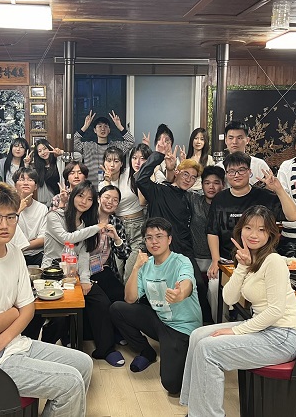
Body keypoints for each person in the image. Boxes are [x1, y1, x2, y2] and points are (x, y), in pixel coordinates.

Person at [0, 182, 93, 416]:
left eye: (11, 217)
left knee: (84, 363)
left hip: (11, 344)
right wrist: (14, 312)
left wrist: (4, 337)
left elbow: (29, 309)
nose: (4, 225)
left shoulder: (15, 252)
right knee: (70, 383)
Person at [180, 205, 296, 417]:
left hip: (283, 335)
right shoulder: (250, 260)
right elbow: (229, 298)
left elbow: (275, 311)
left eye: (261, 230)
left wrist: (236, 331)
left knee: (208, 349)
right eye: (248, 228)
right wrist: (242, 266)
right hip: (264, 329)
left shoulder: (273, 261)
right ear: (240, 230)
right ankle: (196, 410)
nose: (253, 234)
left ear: (271, 234)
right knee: (198, 335)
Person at [110, 217, 202, 394]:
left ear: (169, 239)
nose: (154, 242)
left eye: (159, 236)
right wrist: (136, 268)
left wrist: (180, 294)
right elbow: (130, 298)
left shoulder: (181, 261)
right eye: (149, 237)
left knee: (172, 385)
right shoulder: (145, 265)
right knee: (117, 309)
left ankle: (186, 352)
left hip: (181, 328)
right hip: (160, 320)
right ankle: (147, 351)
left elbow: (187, 282)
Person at [43, 181, 125, 365]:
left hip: (75, 274)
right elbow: (67, 239)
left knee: (101, 302)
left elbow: (84, 253)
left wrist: (86, 280)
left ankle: (105, 349)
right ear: (73, 196)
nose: (84, 201)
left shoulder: (86, 223)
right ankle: (47, 349)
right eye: (80, 196)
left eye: (89, 199)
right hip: (53, 272)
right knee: (59, 316)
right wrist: (97, 227)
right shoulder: (55, 216)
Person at [136, 138, 212, 323]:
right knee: (154, 289)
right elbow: (141, 178)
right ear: (177, 172)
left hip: (183, 249)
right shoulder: (159, 191)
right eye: (186, 174)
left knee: (198, 285)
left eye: (193, 177)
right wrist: (159, 155)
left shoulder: (190, 198)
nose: (189, 179)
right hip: (158, 248)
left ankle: (203, 325)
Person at [206, 151, 296, 282]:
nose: (236, 175)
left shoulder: (265, 197)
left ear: (250, 172)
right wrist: (216, 260)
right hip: (227, 261)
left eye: (241, 170)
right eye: (231, 171)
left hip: (260, 262)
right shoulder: (219, 199)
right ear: (226, 174)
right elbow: (212, 231)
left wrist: (279, 189)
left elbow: (293, 216)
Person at [99, 146, 145, 282]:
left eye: (116, 161)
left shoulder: (130, 175)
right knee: (117, 271)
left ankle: (130, 295)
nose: (112, 165)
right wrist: (108, 182)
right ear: (104, 162)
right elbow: (108, 207)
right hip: (117, 227)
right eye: (108, 160)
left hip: (136, 225)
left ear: (122, 163)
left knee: (130, 272)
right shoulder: (102, 185)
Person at [188, 166, 225, 322]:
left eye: (216, 183)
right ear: (201, 184)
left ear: (223, 185)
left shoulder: (226, 204)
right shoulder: (194, 200)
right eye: (207, 183)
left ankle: (215, 321)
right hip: (195, 256)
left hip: (218, 258)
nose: (211, 187)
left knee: (215, 289)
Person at [74, 109, 135, 184]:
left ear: (109, 130)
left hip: (110, 186)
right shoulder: (88, 146)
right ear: (95, 130)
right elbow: (73, 142)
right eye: (100, 126)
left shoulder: (115, 147)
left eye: (106, 126)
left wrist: (119, 126)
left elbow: (131, 141)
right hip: (90, 186)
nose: (103, 129)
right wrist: (85, 126)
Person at [216, 120, 270, 185]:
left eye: (239, 138)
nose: (234, 142)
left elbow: (270, 186)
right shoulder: (219, 167)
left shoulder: (259, 165)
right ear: (226, 140)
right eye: (231, 138)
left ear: (247, 140)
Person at [12, 168, 48, 266]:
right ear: (15, 185)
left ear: (35, 186)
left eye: (30, 180)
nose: (26, 183)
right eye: (21, 179)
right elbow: (8, 232)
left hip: (37, 255)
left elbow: (43, 239)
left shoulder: (42, 208)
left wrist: (22, 246)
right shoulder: (8, 207)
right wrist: (18, 211)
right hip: (13, 254)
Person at [29, 138, 67, 208]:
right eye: (39, 151)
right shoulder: (38, 168)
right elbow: (28, 177)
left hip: (64, 198)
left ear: (49, 148)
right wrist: (26, 164)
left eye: (45, 149)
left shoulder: (59, 160)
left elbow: (78, 156)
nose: (43, 152)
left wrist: (62, 152)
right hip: (49, 203)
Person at [180, 127, 215, 193]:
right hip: (187, 191)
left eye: (202, 139)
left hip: (202, 192)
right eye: (196, 138)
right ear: (192, 140)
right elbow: (180, 178)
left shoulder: (209, 159)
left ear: (205, 142)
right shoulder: (186, 158)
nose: (198, 142)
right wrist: (183, 163)